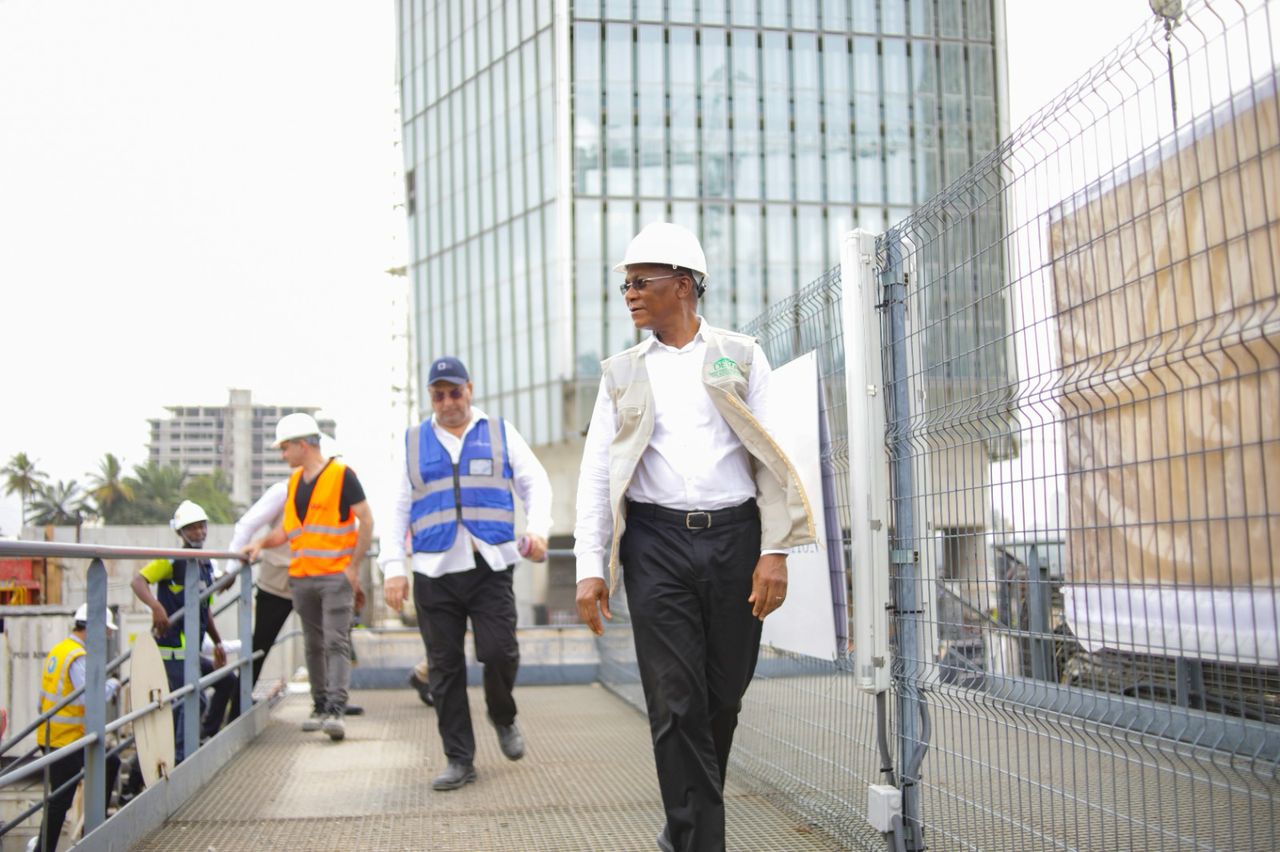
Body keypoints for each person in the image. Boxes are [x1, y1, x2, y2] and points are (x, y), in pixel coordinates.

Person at [574, 222, 815, 852]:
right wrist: (588, 565)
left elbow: (776, 457)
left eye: (639, 283)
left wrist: (775, 550)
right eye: (623, 284)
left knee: (722, 698)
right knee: (675, 703)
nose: (628, 294)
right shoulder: (620, 373)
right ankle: (698, 841)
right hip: (654, 546)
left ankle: (684, 818)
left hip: (736, 540)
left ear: (682, 286)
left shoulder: (741, 354)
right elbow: (598, 470)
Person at [381, 355, 552, 791]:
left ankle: (503, 714)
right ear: (430, 398)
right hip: (433, 571)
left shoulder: (499, 432)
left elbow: (535, 482)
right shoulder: (413, 441)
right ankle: (459, 759)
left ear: (469, 389)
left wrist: (537, 530)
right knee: (445, 668)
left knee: (499, 652)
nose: (447, 401)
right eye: (438, 395)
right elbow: (397, 507)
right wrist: (393, 568)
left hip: (490, 564)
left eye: (454, 392)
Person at [243, 413, 373, 742]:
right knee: (314, 645)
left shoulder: (342, 475)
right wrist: (259, 542)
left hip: (334, 577)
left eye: (285, 447)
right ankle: (319, 706)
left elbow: (366, 521)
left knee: (335, 642)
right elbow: (289, 530)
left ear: (303, 444)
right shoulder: (293, 483)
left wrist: (353, 567)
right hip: (301, 578)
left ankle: (336, 709)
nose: (282, 454)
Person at [130, 500, 240, 764]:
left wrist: (218, 644)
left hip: (190, 651)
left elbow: (206, 610)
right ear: (180, 533)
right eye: (191, 529)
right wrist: (156, 606)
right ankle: (181, 759)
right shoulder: (172, 560)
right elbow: (138, 581)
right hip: (170, 652)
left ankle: (203, 734)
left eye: (202, 527)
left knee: (228, 683)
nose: (199, 533)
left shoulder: (205, 565)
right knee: (193, 699)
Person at [32, 605, 122, 852]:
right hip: (66, 739)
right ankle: (49, 847)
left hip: (54, 735)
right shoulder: (78, 656)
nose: (107, 636)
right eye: (105, 630)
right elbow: (89, 697)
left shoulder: (60, 650)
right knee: (60, 801)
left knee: (109, 762)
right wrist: (113, 684)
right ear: (91, 627)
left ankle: (90, 828)